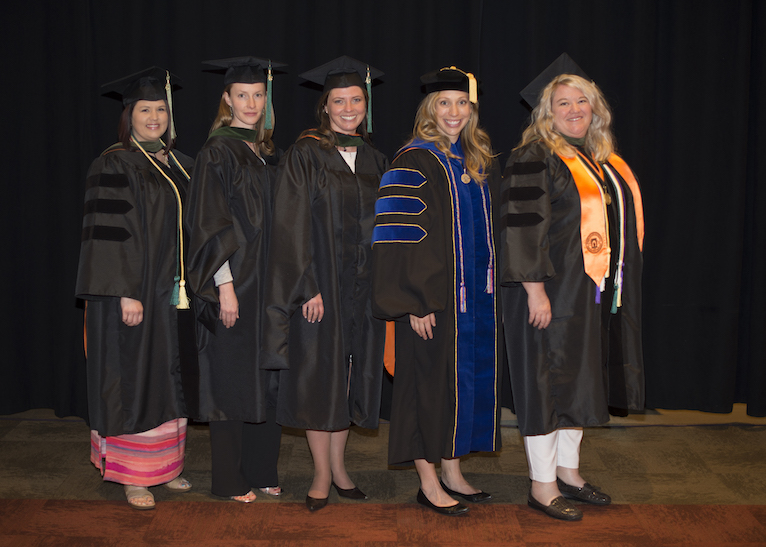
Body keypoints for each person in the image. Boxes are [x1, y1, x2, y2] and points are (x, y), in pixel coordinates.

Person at [498, 54, 645, 521]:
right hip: (544, 295)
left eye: (582, 100)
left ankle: (569, 473)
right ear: (546, 112)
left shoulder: (603, 161)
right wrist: (534, 289)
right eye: (563, 103)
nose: (574, 109)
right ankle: (542, 485)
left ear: (596, 108)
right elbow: (520, 230)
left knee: (578, 383)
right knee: (546, 384)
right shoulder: (533, 156)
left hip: (587, 295)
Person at [371, 67, 502, 516]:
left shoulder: (474, 159)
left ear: (472, 109)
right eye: (443, 103)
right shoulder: (412, 160)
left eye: (461, 103)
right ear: (429, 109)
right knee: (425, 390)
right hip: (428, 304)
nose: (453, 111)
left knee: (456, 390)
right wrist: (411, 303)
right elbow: (396, 239)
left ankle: (452, 470)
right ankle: (428, 481)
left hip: (470, 305)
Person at [260, 56, 387, 511]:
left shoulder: (376, 157)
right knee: (320, 380)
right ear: (326, 107)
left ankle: (340, 468)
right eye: (340, 101)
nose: (349, 108)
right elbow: (289, 224)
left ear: (365, 104)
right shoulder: (305, 154)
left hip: (363, 289)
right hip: (321, 289)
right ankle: (320, 474)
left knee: (348, 377)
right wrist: (306, 285)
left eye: (356, 99)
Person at [75, 67, 194, 510]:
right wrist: (125, 290)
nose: (155, 117)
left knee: (165, 377)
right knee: (133, 379)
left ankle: (166, 468)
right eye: (145, 109)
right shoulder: (113, 163)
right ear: (129, 115)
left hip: (169, 294)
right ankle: (133, 475)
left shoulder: (175, 162)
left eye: (161, 109)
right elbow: (107, 234)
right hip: (132, 295)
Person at [185, 56, 285, 503]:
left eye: (258, 95)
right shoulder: (217, 151)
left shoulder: (265, 152)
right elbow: (209, 222)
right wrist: (223, 286)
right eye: (242, 95)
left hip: (267, 286)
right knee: (230, 378)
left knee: (266, 376)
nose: (251, 103)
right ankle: (228, 479)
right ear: (227, 99)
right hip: (235, 285)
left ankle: (263, 468)